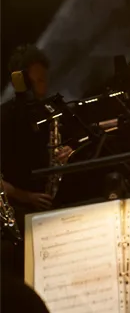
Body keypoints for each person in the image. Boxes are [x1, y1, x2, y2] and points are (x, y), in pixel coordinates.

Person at [0, 44, 71, 276]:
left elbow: (65, 146)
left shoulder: (48, 112)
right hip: (17, 210)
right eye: (38, 81)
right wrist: (27, 196)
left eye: (44, 79)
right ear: (20, 82)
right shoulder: (4, 118)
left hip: (47, 203)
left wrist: (67, 151)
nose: (44, 86)